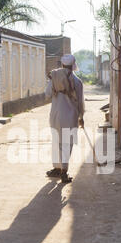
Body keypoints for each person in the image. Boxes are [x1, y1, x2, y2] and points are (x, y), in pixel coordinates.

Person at [45, 54, 85, 183]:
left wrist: (57, 90)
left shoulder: (54, 78)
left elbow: (47, 94)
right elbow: (80, 103)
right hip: (70, 117)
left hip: (55, 116)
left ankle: (56, 168)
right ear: (73, 65)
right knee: (67, 144)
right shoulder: (77, 82)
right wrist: (81, 117)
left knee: (56, 143)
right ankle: (63, 172)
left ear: (62, 65)